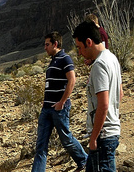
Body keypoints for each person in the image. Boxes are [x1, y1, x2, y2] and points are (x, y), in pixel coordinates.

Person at [32, 32, 87, 172]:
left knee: (66, 139)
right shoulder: (53, 60)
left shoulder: (65, 58)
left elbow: (72, 80)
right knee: (41, 145)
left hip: (59, 109)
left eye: (47, 44)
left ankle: (84, 161)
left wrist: (62, 102)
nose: (45, 48)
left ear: (55, 44)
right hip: (46, 109)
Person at [74, 20, 122, 172]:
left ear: (89, 42)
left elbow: (104, 104)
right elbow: (119, 94)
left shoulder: (99, 65)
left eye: (80, 48)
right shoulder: (112, 58)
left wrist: (94, 137)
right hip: (110, 132)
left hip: (104, 136)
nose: (80, 53)